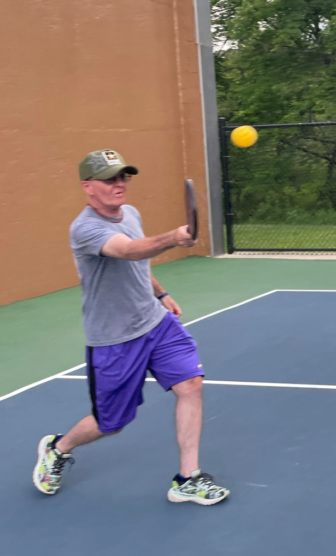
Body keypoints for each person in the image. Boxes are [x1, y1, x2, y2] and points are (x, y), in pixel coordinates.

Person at [33, 149, 229, 505]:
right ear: (87, 186)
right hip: (115, 339)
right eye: (110, 178)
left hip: (157, 325)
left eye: (123, 176)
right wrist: (174, 237)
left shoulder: (131, 213)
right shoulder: (85, 228)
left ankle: (187, 478)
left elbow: (138, 261)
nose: (119, 184)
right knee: (112, 423)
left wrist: (161, 293)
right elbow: (128, 251)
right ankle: (59, 448)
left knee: (191, 385)